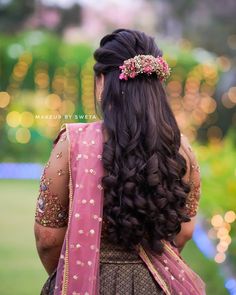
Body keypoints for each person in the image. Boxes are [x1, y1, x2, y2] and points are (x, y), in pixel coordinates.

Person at [34, 29, 205, 295]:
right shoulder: (181, 148)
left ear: (103, 81)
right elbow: (184, 231)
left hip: (89, 283)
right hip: (160, 284)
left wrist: (78, 274)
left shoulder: (73, 144)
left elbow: (47, 239)